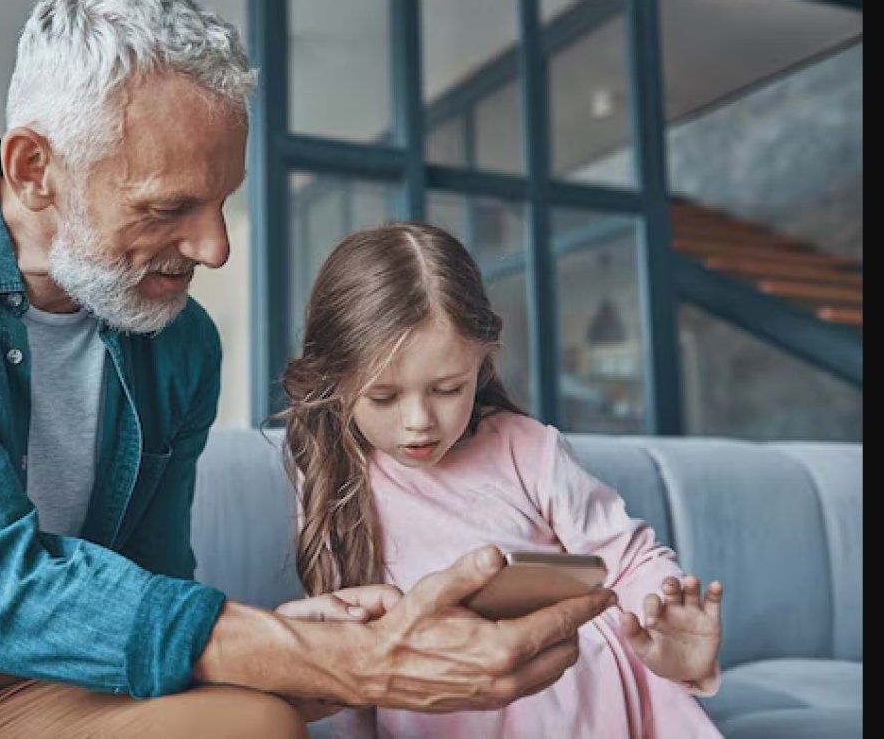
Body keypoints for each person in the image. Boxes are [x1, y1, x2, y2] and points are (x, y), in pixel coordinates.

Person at [0, 0, 618, 739]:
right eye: (170, 207)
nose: (214, 249)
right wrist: (308, 655)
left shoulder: (179, 343)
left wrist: (297, 642)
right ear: (34, 169)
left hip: (13, 695)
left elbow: (150, 589)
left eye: (224, 203)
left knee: (254, 725)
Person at [277, 221, 727, 738]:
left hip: (578, 697)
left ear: (481, 358)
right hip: (438, 711)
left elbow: (628, 562)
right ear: (335, 383)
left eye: (447, 389)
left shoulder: (528, 450)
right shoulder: (331, 483)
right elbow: (352, 662)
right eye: (384, 398)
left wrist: (665, 624)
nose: (419, 421)